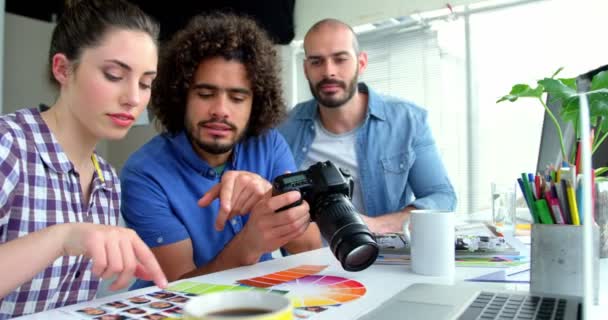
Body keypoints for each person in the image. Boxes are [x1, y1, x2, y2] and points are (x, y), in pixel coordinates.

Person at [120, 13, 321, 288]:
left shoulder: (269, 144)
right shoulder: (144, 174)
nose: (220, 111)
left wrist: (272, 198)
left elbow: (309, 249)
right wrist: (250, 243)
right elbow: (181, 289)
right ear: (182, 96)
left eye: (237, 98)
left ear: (256, 104)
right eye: (205, 94)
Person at [0, 0, 168, 318]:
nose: (134, 98)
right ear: (63, 69)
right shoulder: (9, 146)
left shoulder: (106, 181)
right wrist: (62, 237)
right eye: (114, 74)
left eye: (146, 83)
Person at [279, 19, 457, 233]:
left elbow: (443, 198)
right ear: (306, 69)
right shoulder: (283, 128)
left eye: (340, 59)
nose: (329, 72)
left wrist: (372, 226)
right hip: (306, 261)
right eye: (317, 62)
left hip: (383, 258)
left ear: (361, 63)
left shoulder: (407, 121)